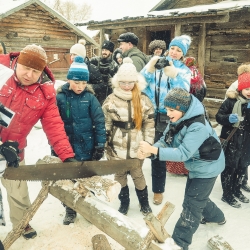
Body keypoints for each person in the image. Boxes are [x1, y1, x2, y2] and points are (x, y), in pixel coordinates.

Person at [0, 44, 76, 240]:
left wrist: (66, 156)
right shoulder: (1, 70)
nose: (29, 74)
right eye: (26, 68)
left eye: (35, 71)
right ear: (18, 62)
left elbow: (54, 125)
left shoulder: (45, 93)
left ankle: (22, 223)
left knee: (18, 191)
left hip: (14, 150)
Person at [138, 87, 225, 250]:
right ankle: (217, 217)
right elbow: (165, 140)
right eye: (166, 109)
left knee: (191, 205)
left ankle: (179, 243)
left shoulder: (197, 126)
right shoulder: (177, 120)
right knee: (197, 198)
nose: (168, 113)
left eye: (171, 110)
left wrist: (154, 151)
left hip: (208, 167)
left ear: (182, 109)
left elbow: (183, 153)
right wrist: (150, 152)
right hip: (197, 165)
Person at [140, 35, 191, 205]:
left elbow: (184, 93)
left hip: (165, 116)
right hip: (147, 112)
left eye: (179, 50)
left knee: (157, 152)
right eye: (173, 48)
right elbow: (140, 83)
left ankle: (157, 190)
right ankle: (134, 182)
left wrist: (174, 74)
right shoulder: (158, 63)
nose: (174, 52)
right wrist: (149, 68)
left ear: (183, 53)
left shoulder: (184, 70)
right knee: (140, 148)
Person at [56, 56, 106, 224]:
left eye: (84, 83)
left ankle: (87, 207)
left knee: (86, 179)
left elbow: (99, 122)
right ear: (69, 79)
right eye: (77, 82)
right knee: (68, 181)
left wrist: (100, 145)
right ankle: (70, 209)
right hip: (67, 146)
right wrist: (54, 146)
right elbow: (53, 124)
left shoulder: (91, 98)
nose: (80, 86)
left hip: (87, 145)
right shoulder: (60, 98)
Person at [102, 57, 155, 216]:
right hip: (116, 144)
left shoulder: (143, 99)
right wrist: (105, 143)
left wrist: (147, 144)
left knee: (137, 174)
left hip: (137, 144)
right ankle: (124, 203)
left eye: (130, 82)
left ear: (136, 81)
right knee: (119, 175)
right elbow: (106, 123)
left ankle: (144, 203)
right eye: (123, 82)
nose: (126, 86)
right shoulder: (111, 99)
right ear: (117, 82)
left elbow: (149, 124)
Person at [216, 63, 250, 208]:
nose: (249, 91)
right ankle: (227, 194)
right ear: (241, 88)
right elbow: (218, 117)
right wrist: (228, 118)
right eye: (247, 88)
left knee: (242, 167)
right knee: (230, 168)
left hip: (246, 142)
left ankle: (237, 190)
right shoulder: (231, 101)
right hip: (231, 141)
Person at [225, 65, 250, 193]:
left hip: (246, 135)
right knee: (234, 161)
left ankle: (241, 183)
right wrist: (229, 118)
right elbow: (227, 107)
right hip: (235, 134)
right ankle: (231, 187)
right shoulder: (237, 84)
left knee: (244, 160)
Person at [90, 40, 118, 104]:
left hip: (108, 95)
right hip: (95, 93)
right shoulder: (95, 61)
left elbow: (116, 83)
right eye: (103, 50)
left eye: (106, 50)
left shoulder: (114, 65)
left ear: (111, 52)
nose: (104, 52)